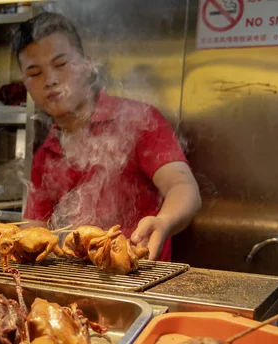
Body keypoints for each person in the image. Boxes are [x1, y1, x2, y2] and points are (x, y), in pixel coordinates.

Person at [12, 12, 201, 261]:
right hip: (77, 286)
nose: (51, 80)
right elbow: (37, 227)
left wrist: (163, 223)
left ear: (87, 64)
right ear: (25, 83)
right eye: (35, 73)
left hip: (140, 280)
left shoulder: (137, 120)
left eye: (60, 64)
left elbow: (183, 187)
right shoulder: (45, 154)